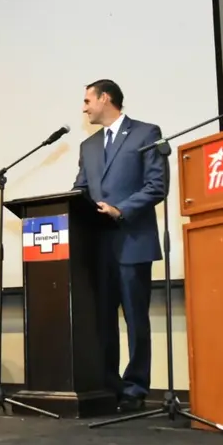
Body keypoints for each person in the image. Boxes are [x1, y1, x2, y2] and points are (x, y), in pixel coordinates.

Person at [73, 79, 166, 413]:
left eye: (87, 100)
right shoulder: (89, 146)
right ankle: (108, 385)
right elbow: (80, 189)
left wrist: (121, 208)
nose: (84, 107)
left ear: (105, 98)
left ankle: (136, 386)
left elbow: (157, 185)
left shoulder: (146, 133)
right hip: (98, 246)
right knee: (102, 321)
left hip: (133, 241)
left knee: (135, 319)